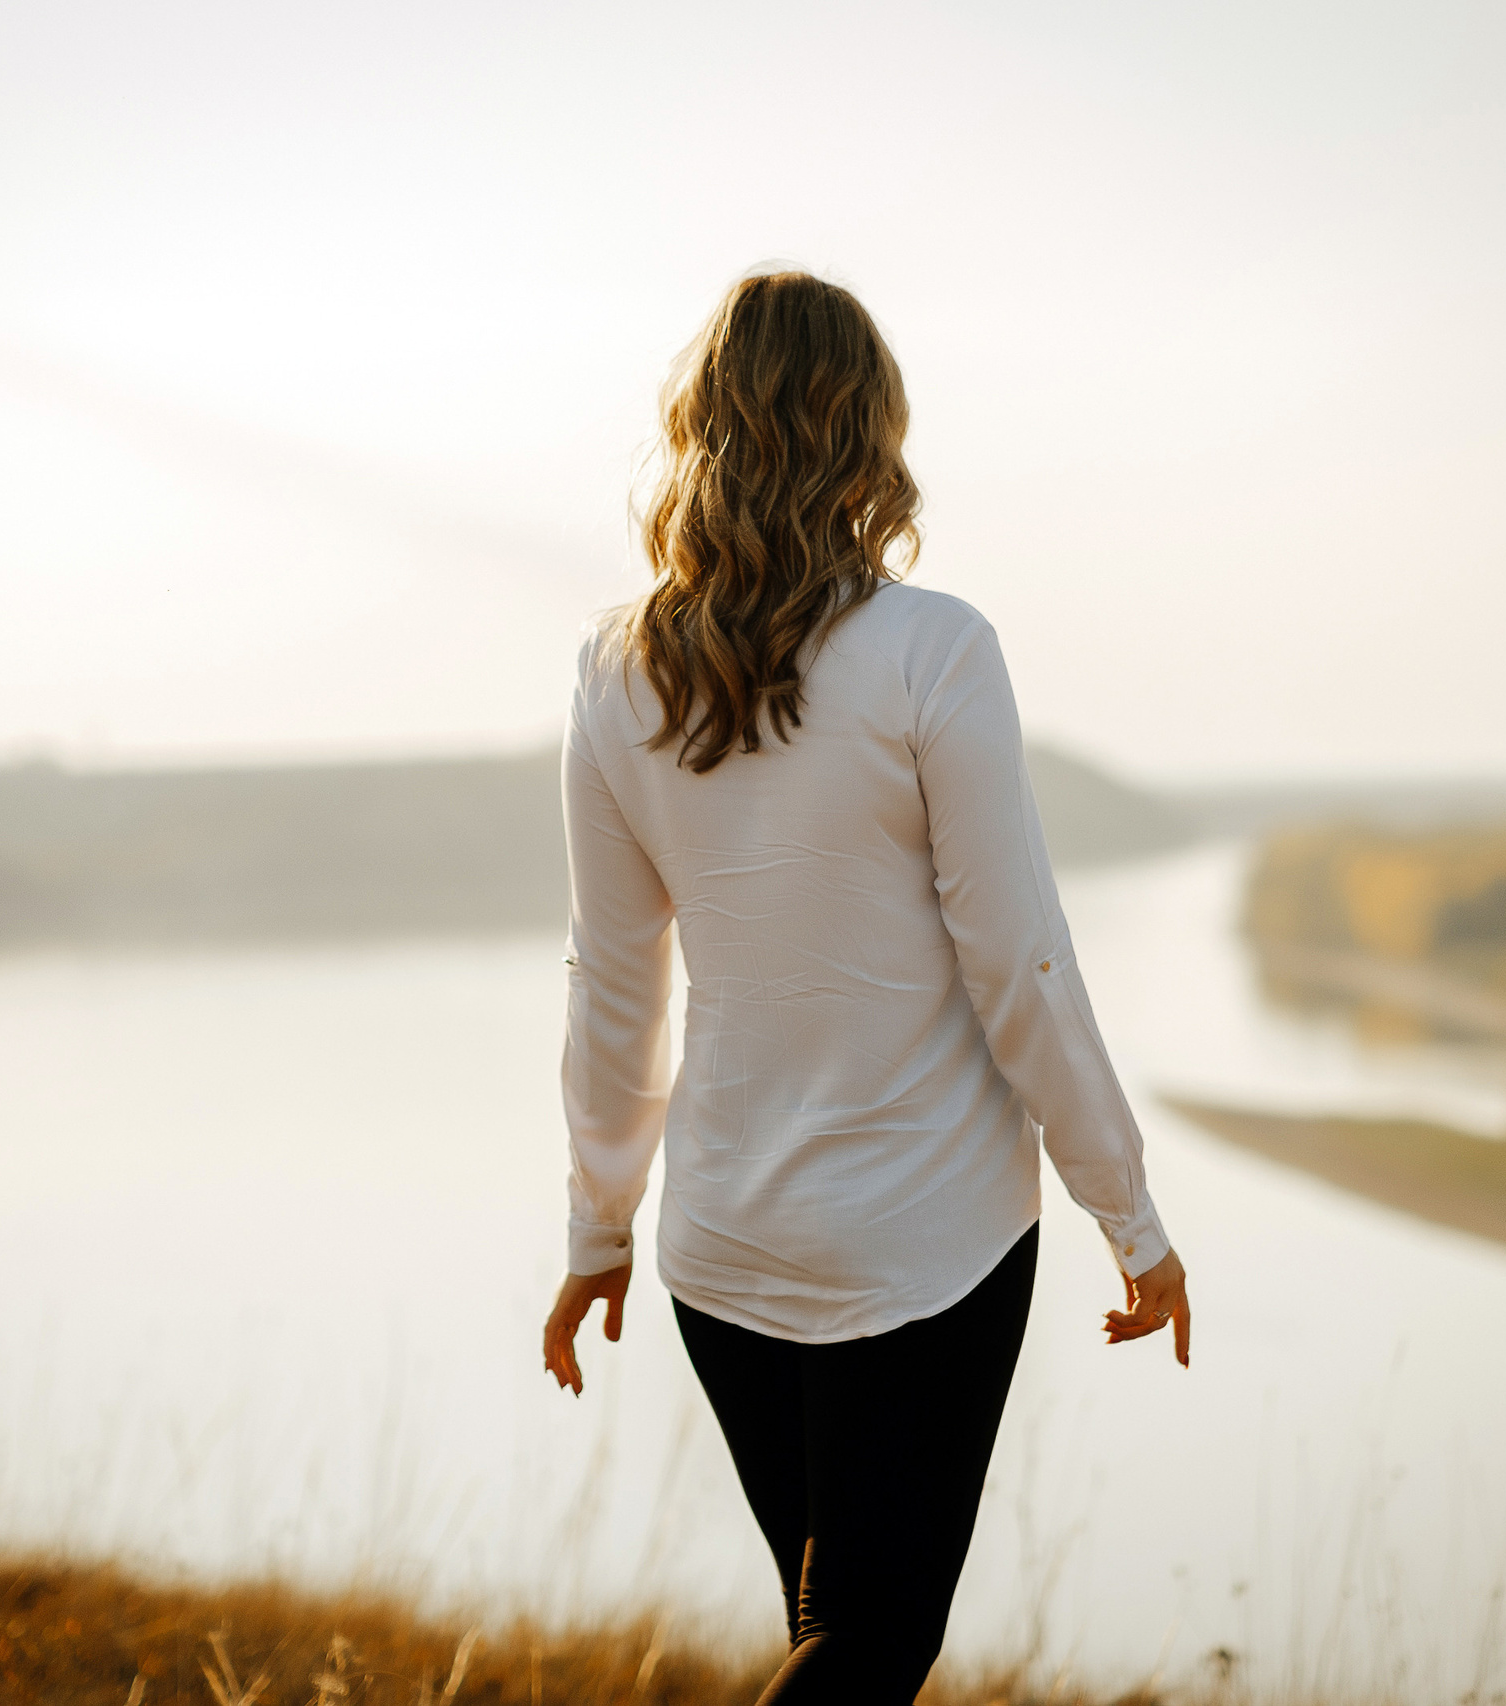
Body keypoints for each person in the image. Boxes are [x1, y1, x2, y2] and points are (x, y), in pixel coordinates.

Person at [541, 269, 1191, 1705]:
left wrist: (599, 1225)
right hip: (926, 1247)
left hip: (724, 1247)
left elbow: (614, 982)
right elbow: (1017, 960)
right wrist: (1127, 1210)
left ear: (699, 430)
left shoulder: (612, 667)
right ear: (869, 433)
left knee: (836, 1632)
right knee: (873, 1648)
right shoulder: (933, 648)